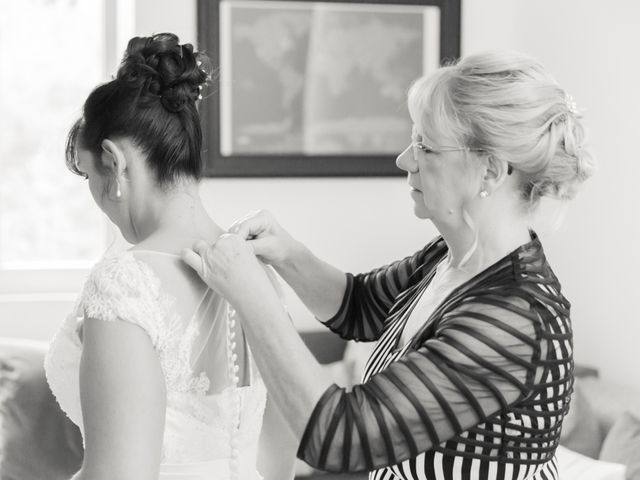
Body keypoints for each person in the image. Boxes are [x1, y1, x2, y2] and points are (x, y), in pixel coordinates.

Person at [182, 50, 594, 480]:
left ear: (489, 171)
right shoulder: (450, 258)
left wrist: (252, 297)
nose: (404, 160)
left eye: (425, 146)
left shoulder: (512, 319)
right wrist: (288, 253)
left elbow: (342, 438)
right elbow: (359, 305)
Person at [44, 33, 296, 480]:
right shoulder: (258, 267)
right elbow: (278, 462)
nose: (94, 197)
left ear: (115, 162)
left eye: (87, 175)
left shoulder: (126, 282)